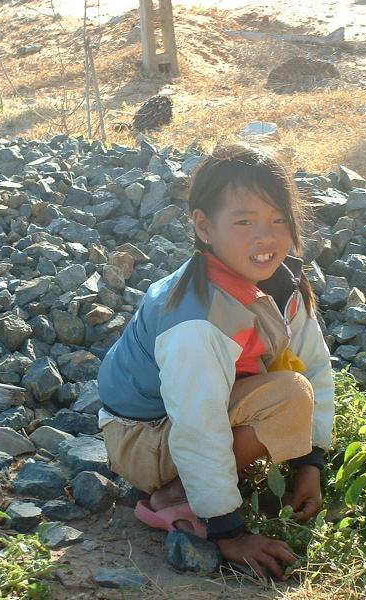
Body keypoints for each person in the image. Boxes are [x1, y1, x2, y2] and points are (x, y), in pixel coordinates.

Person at [97, 142, 335, 580]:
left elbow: (315, 366)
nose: (266, 237)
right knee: (288, 395)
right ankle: (176, 497)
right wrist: (228, 531)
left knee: (296, 385)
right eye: (244, 221)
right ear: (204, 227)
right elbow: (197, 421)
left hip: (181, 421)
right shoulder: (197, 319)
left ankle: (205, 484)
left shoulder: (281, 284)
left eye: (278, 220)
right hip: (143, 437)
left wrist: (309, 464)